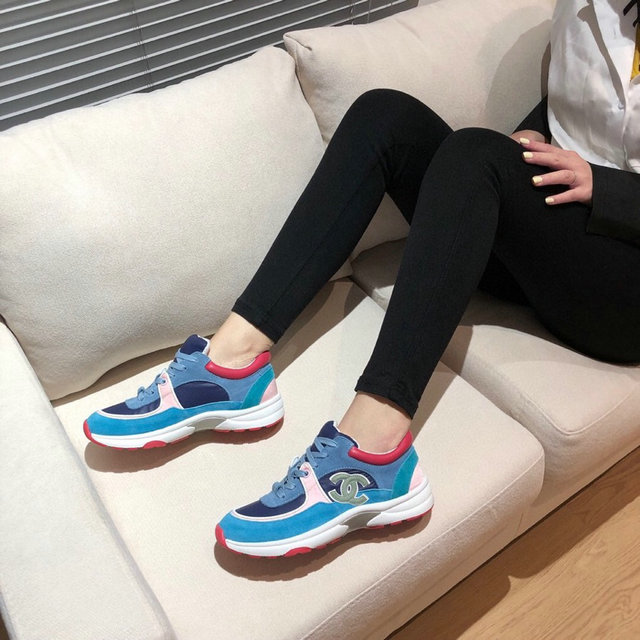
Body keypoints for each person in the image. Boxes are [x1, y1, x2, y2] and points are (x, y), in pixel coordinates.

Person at [84, 0, 640, 557]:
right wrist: (531, 134)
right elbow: (580, 106)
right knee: (385, 116)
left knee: (476, 154)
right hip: (552, 239)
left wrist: (606, 186)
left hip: (623, 287)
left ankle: (374, 459)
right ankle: (231, 365)